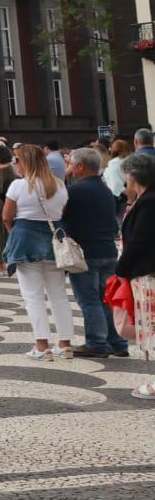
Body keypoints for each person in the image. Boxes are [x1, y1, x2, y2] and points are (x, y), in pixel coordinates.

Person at [4, 143, 75, 360]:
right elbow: (60, 212)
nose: (15, 164)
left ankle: (42, 345)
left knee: (33, 296)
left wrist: (12, 233)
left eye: (17, 160)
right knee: (59, 295)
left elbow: (7, 216)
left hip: (25, 237)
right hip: (54, 239)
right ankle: (65, 343)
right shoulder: (59, 185)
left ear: (25, 163)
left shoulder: (18, 186)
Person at [60, 148, 127, 358]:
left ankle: (97, 343)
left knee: (89, 299)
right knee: (106, 299)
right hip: (108, 250)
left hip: (85, 252)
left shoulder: (75, 191)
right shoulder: (105, 189)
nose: (68, 167)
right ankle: (117, 343)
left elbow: (62, 218)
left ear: (80, 166)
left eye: (70, 163)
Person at [117, 154, 155, 398]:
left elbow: (140, 240)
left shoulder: (149, 202)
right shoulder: (145, 200)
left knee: (152, 326)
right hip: (145, 271)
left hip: (148, 272)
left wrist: (121, 269)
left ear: (133, 177)